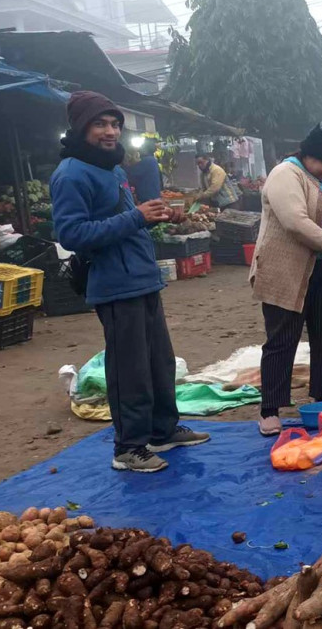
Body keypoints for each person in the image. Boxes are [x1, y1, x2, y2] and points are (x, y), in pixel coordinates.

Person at [50, 91, 209, 472]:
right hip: (114, 285)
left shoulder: (112, 169)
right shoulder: (71, 173)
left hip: (141, 277)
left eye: (115, 124)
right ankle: (129, 447)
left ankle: (162, 429)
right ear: (81, 128)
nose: (110, 131)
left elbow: (124, 219)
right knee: (130, 370)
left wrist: (154, 218)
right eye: (100, 124)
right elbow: (72, 234)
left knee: (159, 361)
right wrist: (136, 218)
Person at [250, 121, 322, 436]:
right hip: (286, 270)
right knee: (282, 339)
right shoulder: (286, 174)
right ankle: (270, 410)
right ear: (310, 154)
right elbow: (295, 222)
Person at [124, 137, 162, 202]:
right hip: (151, 201)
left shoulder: (149, 161)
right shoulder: (151, 161)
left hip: (144, 201)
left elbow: (126, 181)